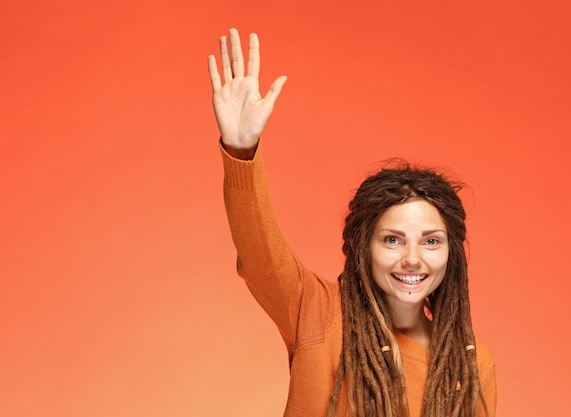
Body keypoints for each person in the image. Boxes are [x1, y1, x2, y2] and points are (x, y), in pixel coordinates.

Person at [208, 28, 496, 417]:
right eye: (393, 240)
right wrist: (241, 149)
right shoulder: (319, 314)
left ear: (451, 254)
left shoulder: (472, 365)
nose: (413, 259)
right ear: (365, 247)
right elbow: (260, 256)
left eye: (431, 241)